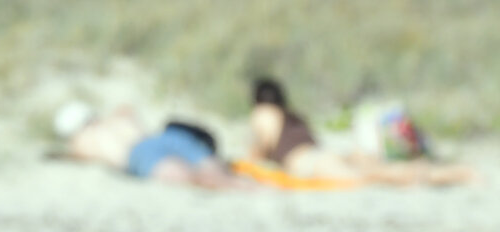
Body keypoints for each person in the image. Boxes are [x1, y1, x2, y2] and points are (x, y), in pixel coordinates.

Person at [246, 78, 472, 186]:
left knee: (371, 178)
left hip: (308, 161)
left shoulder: (263, 113)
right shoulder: (293, 115)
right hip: (324, 153)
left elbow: (264, 145)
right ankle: (454, 173)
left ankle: (432, 175)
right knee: (377, 171)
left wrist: (247, 163)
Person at [53, 101, 248, 189]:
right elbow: (128, 108)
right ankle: (264, 187)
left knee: (196, 180)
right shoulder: (117, 117)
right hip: (164, 136)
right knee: (222, 173)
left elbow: (79, 157)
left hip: (139, 154)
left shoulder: (82, 139)